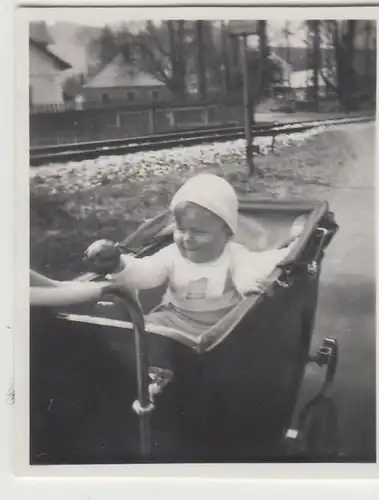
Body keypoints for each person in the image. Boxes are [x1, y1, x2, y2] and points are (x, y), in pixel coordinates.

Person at [85, 174, 300, 337]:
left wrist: (248, 283)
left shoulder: (234, 256)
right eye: (180, 229)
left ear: (227, 233)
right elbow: (146, 272)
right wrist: (119, 265)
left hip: (221, 328)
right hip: (174, 318)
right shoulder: (171, 255)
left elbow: (258, 265)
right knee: (143, 330)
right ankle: (148, 376)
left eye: (198, 232)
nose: (187, 239)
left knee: (244, 339)